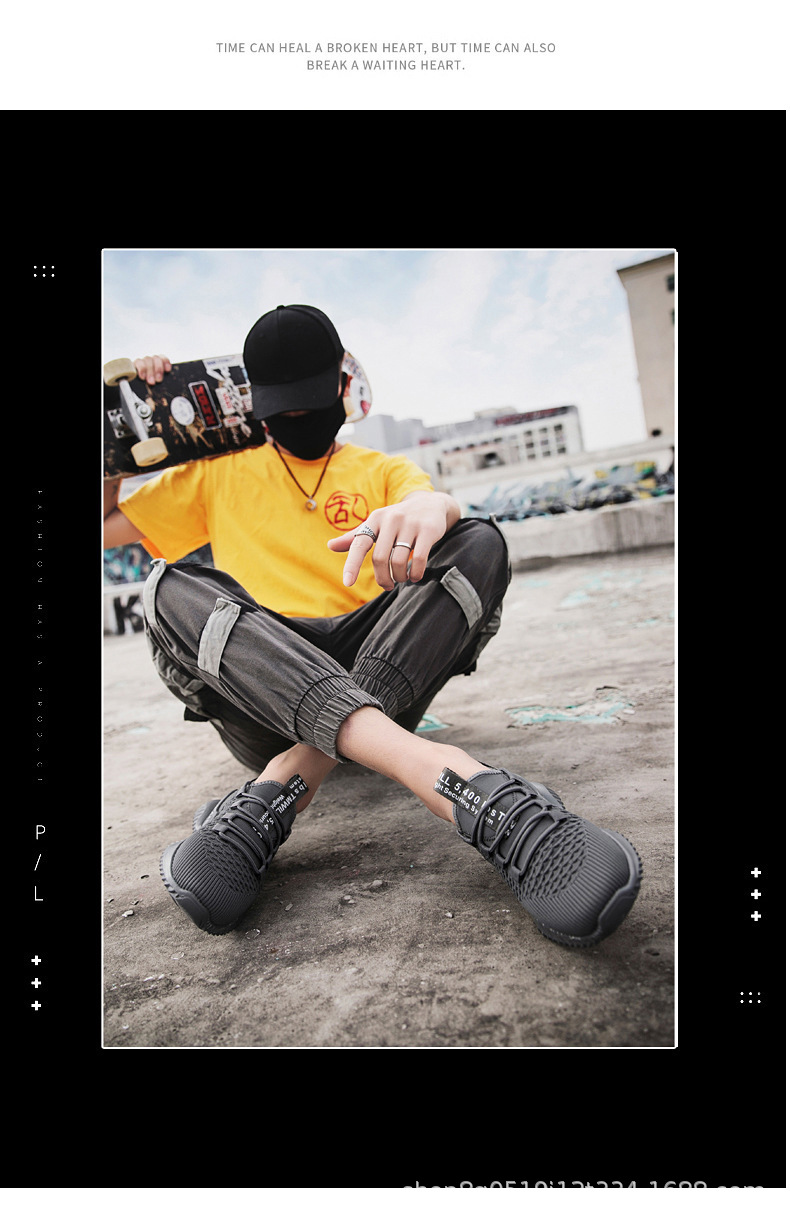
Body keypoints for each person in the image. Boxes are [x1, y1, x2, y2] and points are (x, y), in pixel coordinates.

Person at [104, 303, 642, 946]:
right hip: (265, 684)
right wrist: (118, 430)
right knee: (168, 586)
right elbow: (106, 527)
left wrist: (434, 509)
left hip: (381, 664)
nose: (299, 419)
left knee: (479, 540)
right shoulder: (213, 472)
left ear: (342, 384)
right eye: (285, 409)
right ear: (255, 403)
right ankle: (448, 776)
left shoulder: (380, 470)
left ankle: (286, 783)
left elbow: (431, 504)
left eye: (310, 402)